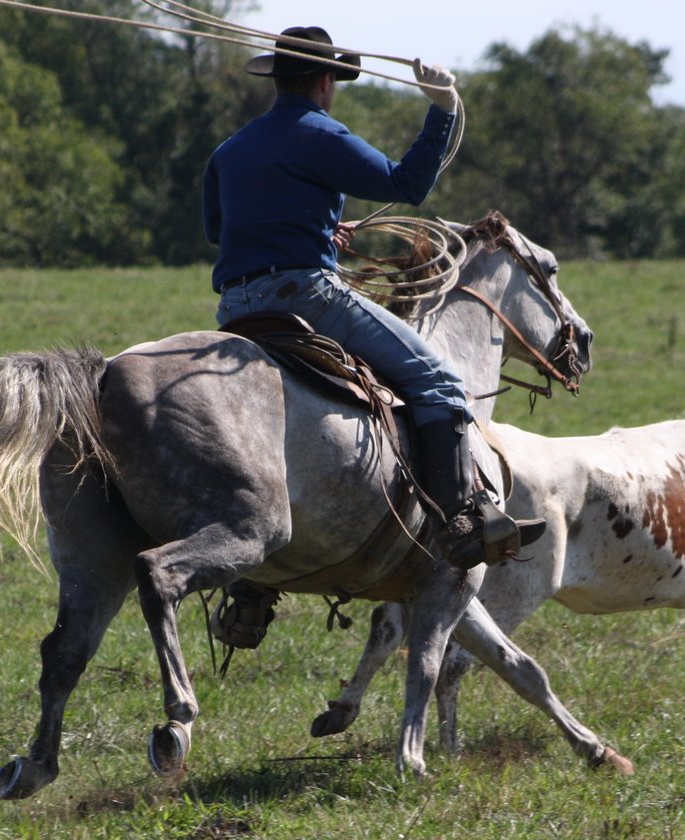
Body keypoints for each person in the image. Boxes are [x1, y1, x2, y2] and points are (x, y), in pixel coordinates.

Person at [201, 26, 543, 646]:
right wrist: (442, 110)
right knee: (439, 379)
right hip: (306, 297)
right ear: (326, 82)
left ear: (276, 78)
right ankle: (460, 523)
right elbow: (409, 184)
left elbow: (218, 227)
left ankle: (255, 580)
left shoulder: (230, 150)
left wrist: (314, 224)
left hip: (236, 306)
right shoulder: (322, 134)